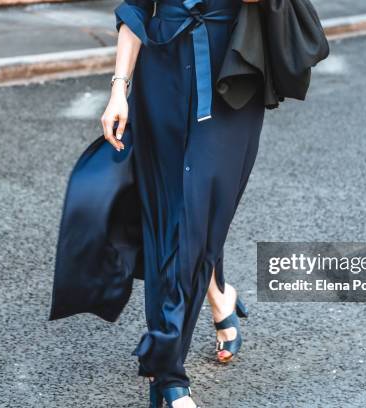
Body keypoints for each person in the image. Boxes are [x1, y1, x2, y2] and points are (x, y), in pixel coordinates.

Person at [101, 0, 263, 406]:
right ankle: (169, 379)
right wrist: (119, 89)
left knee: (203, 208)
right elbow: (136, 10)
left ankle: (216, 291)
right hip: (162, 79)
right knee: (171, 220)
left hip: (232, 79)